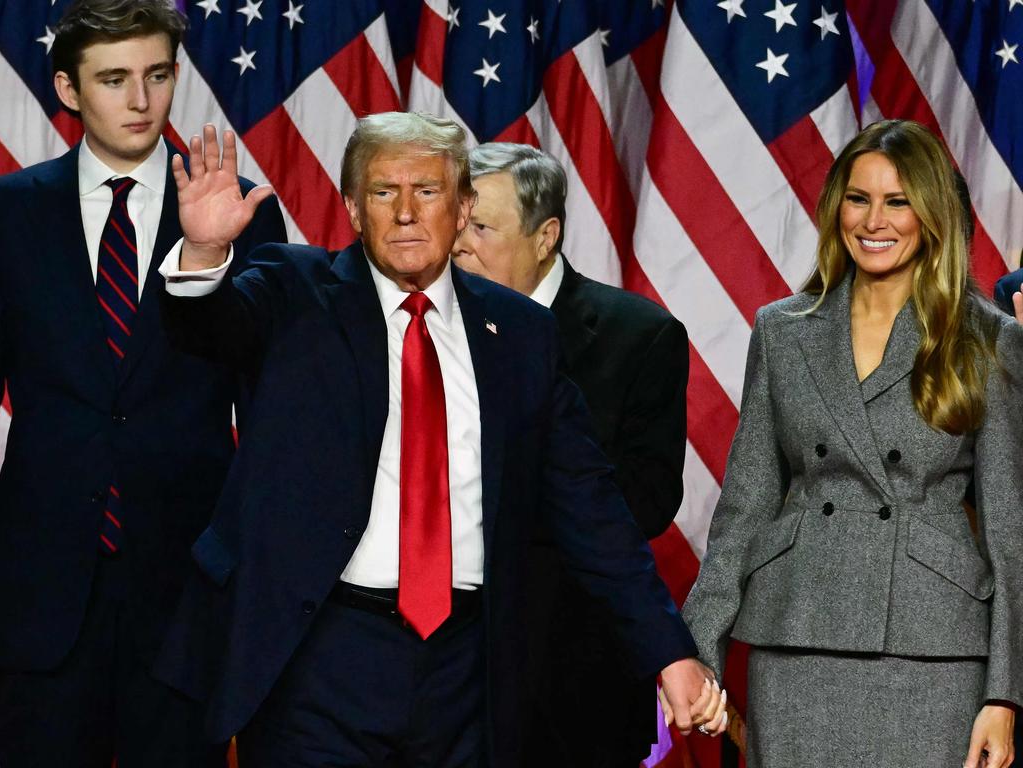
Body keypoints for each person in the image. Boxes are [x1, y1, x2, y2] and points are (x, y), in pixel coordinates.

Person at [152, 111, 726, 768]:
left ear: (462, 207)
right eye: (383, 191)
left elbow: (593, 510)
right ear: (352, 207)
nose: (405, 212)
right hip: (319, 654)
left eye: (426, 190)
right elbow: (211, 329)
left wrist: (670, 653)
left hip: (468, 668)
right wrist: (201, 256)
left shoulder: (521, 336)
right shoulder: (294, 291)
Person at [682, 119, 1022, 768]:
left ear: (932, 214)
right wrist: (700, 644)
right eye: (858, 198)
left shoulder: (986, 338)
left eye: (898, 201)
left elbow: (1011, 534)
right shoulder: (782, 331)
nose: (875, 219)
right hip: (799, 633)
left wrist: (1004, 696)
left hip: (934, 645)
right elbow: (746, 505)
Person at [0, 1, 286, 766]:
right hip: (39, 588)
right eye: (115, 79)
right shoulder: (11, 212)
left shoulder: (244, 214)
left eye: (158, 76)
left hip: (187, 589)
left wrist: (205, 258)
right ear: (67, 88)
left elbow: (267, 398)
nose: (140, 101)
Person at [452, 142, 688, 767]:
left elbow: (649, 499)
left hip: (575, 680)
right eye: (456, 219)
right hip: (446, 678)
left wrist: (503, 505)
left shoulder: (637, 336)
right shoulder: (426, 328)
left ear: (545, 235)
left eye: (479, 225)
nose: (457, 242)